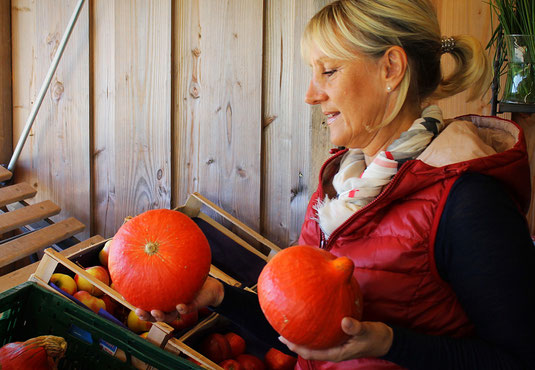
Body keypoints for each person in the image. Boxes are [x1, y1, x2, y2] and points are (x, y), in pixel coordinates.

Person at [137, 0, 535, 368]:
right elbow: (308, 329)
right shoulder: (343, 184)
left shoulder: (469, 200)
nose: (311, 94)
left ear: (391, 69)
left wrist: (390, 342)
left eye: (328, 71)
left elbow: (520, 359)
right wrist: (219, 297)